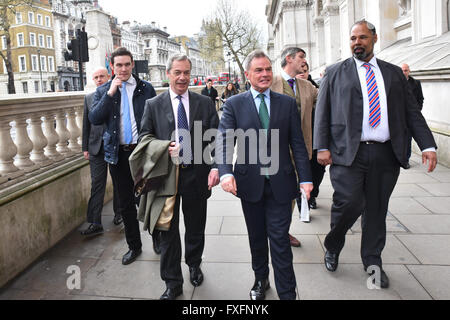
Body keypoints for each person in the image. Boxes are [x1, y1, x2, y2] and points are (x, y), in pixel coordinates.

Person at [314, 20, 437, 289]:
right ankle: (333, 244)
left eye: (362, 37)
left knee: (377, 211)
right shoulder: (334, 73)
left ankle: (373, 262)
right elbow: (322, 112)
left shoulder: (393, 74)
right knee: (348, 203)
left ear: (374, 38)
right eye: (352, 38)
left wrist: (427, 145)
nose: (356, 42)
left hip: (385, 154)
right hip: (348, 153)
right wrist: (321, 147)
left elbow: (411, 112)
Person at [217, 50, 313, 300]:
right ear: (247, 75)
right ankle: (261, 280)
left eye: (268, 69)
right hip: (249, 185)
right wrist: (226, 173)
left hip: (282, 183)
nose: (265, 74)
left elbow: (298, 144)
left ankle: (287, 292)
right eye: (258, 70)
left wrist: (305, 178)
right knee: (257, 238)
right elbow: (224, 142)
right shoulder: (234, 104)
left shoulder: (286, 103)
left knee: (279, 240)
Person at [139, 54, 220, 300]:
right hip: (166, 179)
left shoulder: (204, 103)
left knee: (196, 226)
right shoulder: (153, 104)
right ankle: (172, 283)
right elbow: (144, 138)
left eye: (186, 72)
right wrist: (165, 147)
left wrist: (216, 167)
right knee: (167, 232)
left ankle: (194, 264)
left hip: (197, 176)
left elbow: (217, 138)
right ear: (168, 74)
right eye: (177, 72)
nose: (183, 77)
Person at [88, 47, 157, 265]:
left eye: (127, 64)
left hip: (142, 153)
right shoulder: (104, 91)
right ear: (112, 67)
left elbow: (156, 119)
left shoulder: (146, 89)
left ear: (133, 64)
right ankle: (134, 246)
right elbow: (95, 118)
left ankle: (158, 239)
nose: (124, 69)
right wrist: (110, 94)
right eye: (119, 65)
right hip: (117, 155)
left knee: (147, 199)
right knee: (126, 203)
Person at [271, 47, 318, 248]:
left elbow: (327, 104)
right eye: (301, 57)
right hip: (273, 148)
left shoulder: (307, 86)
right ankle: (272, 228)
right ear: (289, 59)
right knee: (273, 191)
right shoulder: (269, 82)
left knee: (291, 191)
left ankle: (282, 230)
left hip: (299, 148)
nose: (304, 61)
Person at [80, 67, 122, 236]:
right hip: (95, 147)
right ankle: (95, 222)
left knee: (119, 183)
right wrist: (85, 148)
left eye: (101, 76)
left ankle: (119, 213)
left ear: (108, 77)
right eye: (95, 77)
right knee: (97, 185)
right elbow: (86, 125)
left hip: (114, 145)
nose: (99, 79)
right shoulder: (89, 98)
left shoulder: (117, 95)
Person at [295, 60, 326, 210]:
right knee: (301, 172)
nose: (302, 73)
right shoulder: (291, 91)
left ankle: (312, 195)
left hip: (315, 139)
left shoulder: (316, 90)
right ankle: (302, 202)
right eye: (300, 70)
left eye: (305, 71)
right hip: (299, 140)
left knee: (317, 172)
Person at [401, 63, 425, 169]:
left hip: (410, 117)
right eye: (402, 70)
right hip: (398, 117)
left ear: (409, 71)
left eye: (406, 70)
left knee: (408, 139)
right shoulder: (395, 82)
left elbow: (420, 99)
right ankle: (399, 158)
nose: (404, 72)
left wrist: (416, 111)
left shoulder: (416, 83)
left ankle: (406, 160)